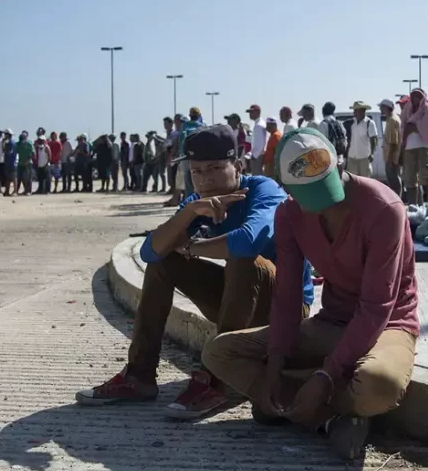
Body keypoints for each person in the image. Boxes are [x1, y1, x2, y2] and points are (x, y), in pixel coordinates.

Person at [202, 128, 418, 460]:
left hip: (388, 325)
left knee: (379, 384)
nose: (324, 207)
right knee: (219, 352)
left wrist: (326, 375)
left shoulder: (383, 209)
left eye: (326, 188)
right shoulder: (289, 214)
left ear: (339, 165)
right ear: (288, 189)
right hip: (332, 323)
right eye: (309, 197)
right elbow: (287, 297)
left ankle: (299, 404)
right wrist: (275, 365)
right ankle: (332, 418)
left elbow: (377, 306)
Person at [77, 125, 314, 419]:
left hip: (286, 308)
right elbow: (149, 252)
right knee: (164, 261)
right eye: (197, 171)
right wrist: (189, 213)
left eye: (215, 168)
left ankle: (216, 380)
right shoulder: (197, 203)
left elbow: (247, 242)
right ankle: (139, 375)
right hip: (241, 300)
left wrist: (191, 247)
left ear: (238, 166)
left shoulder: (264, 191)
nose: (205, 179)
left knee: (244, 259)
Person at [401, 88, 428, 205]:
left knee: (426, 178)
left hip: (423, 147)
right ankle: (413, 205)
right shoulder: (408, 109)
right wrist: (408, 129)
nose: (416, 98)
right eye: (414, 96)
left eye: (418, 96)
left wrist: (413, 127)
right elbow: (405, 126)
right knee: (410, 179)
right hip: (409, 148)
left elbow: (425, 127)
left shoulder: (426, 108)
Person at [346, 101, 378, 177]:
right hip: (352, 157)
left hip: (364, 157)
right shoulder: (351, 123)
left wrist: (372, 153)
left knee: (365, 179)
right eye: (354, 110)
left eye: (356, 110)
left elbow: (374, 139)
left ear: (363, 111)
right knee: (352, 179)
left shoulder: (369, 123)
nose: (354, 112)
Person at [379, 99, 403, 197]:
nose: (380, 109)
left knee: (394, 181)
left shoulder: (392, 120)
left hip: (392, 157)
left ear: (387, 108)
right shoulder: (391, 119)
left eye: (382, 107)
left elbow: (393, 142)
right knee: (394, 180)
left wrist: (390, 158)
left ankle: (396, 199)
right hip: (391, 156)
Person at [318, 102, 348, 167]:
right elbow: (345, 140)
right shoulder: (339, 124)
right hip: (340, 159)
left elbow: (321, 143)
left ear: (323, 112)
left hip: (329, 160)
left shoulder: (323, 124)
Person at [247, 104, 267, 175]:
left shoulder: (258, 125)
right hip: (259, 155)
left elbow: (260, 144)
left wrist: (254, 156)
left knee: (257, 176)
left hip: (258, 156)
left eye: (252, 112)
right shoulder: (260, 123)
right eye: (250, 112)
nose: (250, 114)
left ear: (258, 112)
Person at [16, 131, 34, 195]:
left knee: (28, 177)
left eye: (23, 138)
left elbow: (33, 153)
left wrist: (27, 160)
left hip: (28, 163)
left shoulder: (29, 143)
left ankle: (29, 191)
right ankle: (22, 190)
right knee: (20, 177)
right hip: (20, 163)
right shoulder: (18, 144)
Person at [0, 130, 17, 197]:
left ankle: (15, 191)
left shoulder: (11, 142)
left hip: (12, 162)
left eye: (5, 134)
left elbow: (9, 152)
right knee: (7, 178)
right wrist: (3, 143)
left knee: (13, 177)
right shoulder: (7, 142)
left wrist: (4, 149)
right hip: (7, 162)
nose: (4, 135)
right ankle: (7, 191)